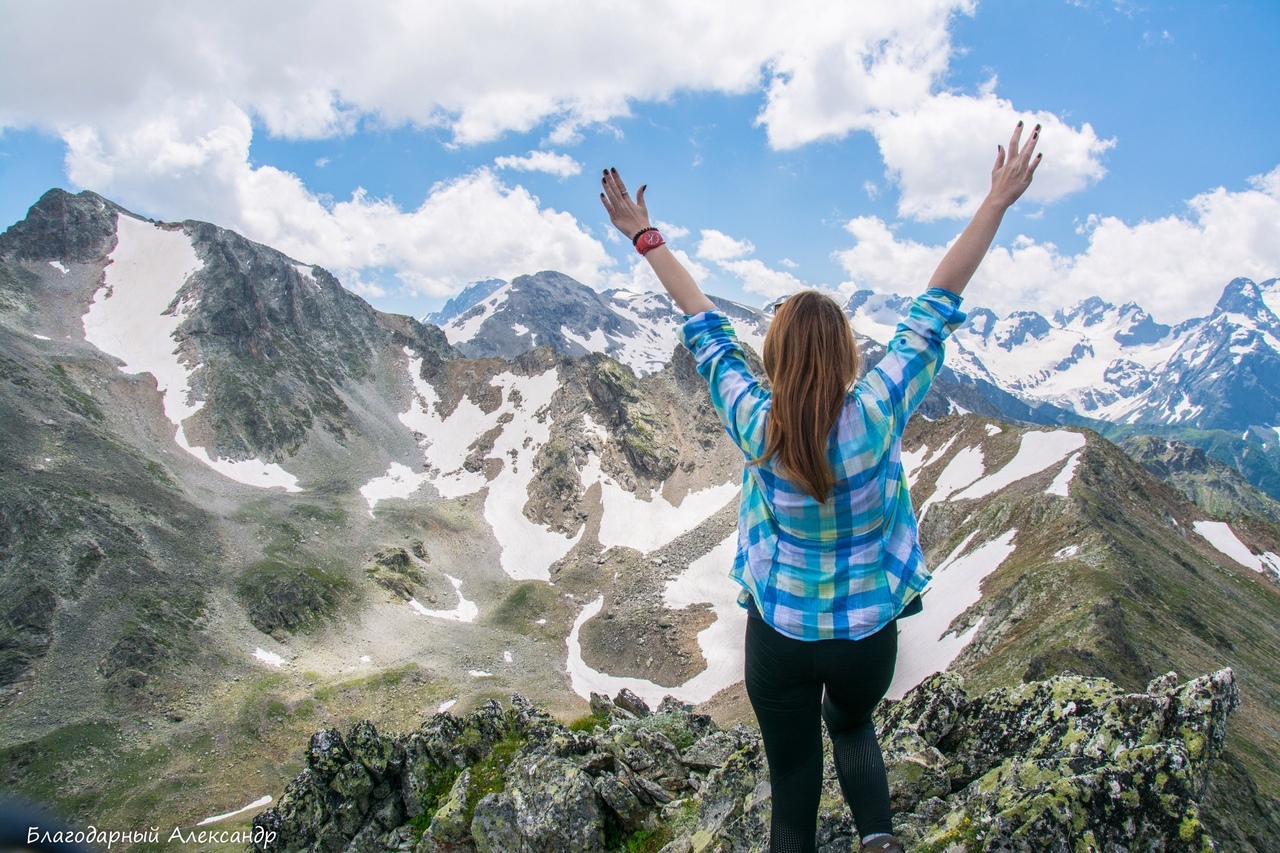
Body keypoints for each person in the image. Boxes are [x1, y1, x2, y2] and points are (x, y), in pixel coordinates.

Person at [600, 121, 1041, 853]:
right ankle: (878, 838)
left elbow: (702, 323)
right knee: (854, 723)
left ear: (770, 353)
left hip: (780, 634)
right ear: (848, 353)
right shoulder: (877, 412)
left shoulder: (752, 418)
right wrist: (996, 201)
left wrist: (645, 238)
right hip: (865, 636)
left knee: (794, 782)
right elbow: (939, 303)